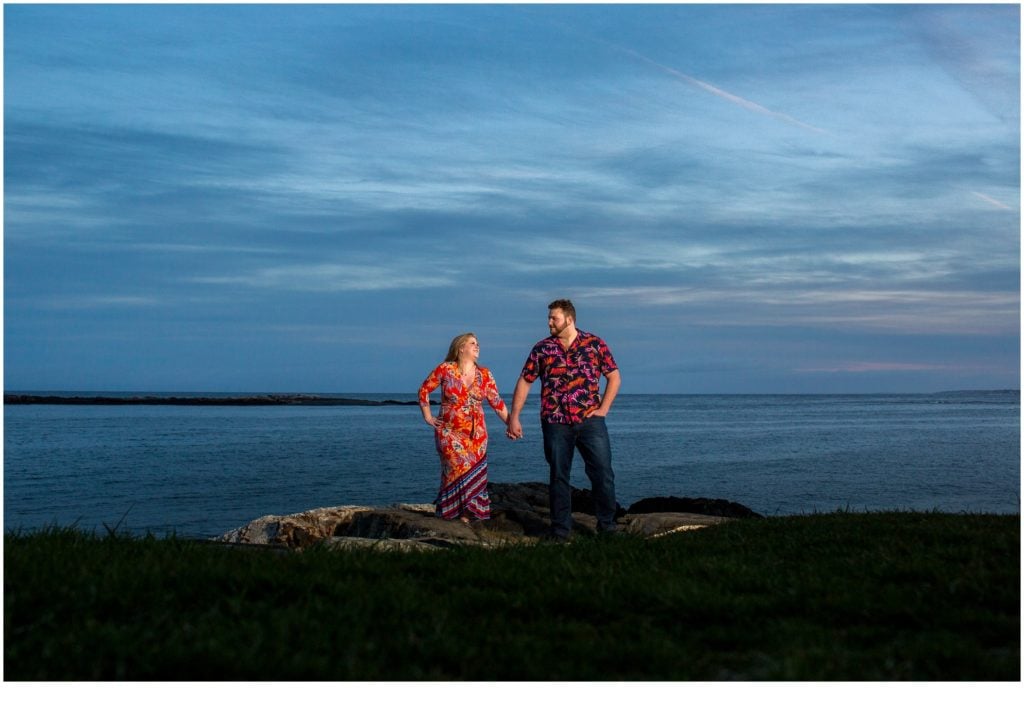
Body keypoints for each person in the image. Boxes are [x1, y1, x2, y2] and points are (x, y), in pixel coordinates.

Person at [506, 299, 621, 539]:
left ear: (569, 319)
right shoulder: (542, 349)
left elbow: (614, 377)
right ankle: (560, 531)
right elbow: (525, 381)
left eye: (553, 318)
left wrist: (603, 410)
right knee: (559, 476)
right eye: (548, 318)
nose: (549, 322)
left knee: (602, 473)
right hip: (555, 422)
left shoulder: (594, 344)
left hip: (590, 422)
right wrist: (514, 416)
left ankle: (608, 527)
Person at [419, 333, 509, 523]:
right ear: (461, 348)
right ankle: (450, 512)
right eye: (472, 343)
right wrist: (427, 416)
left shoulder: (485, 374)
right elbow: (424, 389)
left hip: (477, 435)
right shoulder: (445, 369)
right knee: (454, 469)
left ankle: (466, 518)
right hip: (448, 432)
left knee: (475, 474)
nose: (477, 347)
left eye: (478, 344)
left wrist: (511, 423)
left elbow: (497, 402)